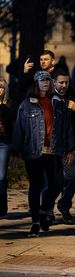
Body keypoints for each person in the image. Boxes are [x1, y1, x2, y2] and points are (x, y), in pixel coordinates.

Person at [12, 71, 74, 236]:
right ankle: (35, 221)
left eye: (48, 80)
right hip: (33, 151)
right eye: (42, 80)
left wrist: (69, 149)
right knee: (36, 186)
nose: (45, 83)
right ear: (36, 83)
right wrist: (15, 150)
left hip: (54, 150)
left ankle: (44, 209)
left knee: (58, 183)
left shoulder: (57, 103)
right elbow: (19, 128)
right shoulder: (27, 104)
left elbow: (66, 128)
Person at [52, 69, 75, 223]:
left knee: (72, 178)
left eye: (66, 82)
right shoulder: (48, 97)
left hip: (69, 145)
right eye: (61, 82)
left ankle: (64, 206)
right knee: (51, 181)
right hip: (51, 146)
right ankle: (47, 210)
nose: (64, 85)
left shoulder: (73, 96)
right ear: (54, 82)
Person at [0, 79, 12, 216]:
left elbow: (12, 127)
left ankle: (2, 207)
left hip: (3, 143)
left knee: (1, 177)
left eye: (2, 88)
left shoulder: (9, 107)